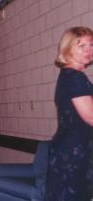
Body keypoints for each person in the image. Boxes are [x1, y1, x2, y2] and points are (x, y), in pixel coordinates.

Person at [45, 26, 93, 201]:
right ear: (67, 49)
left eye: (91, 45)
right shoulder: (74, 77)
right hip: (72, 153)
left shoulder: (71, 76)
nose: (89, 50)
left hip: (72, 149)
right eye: (82, 46)